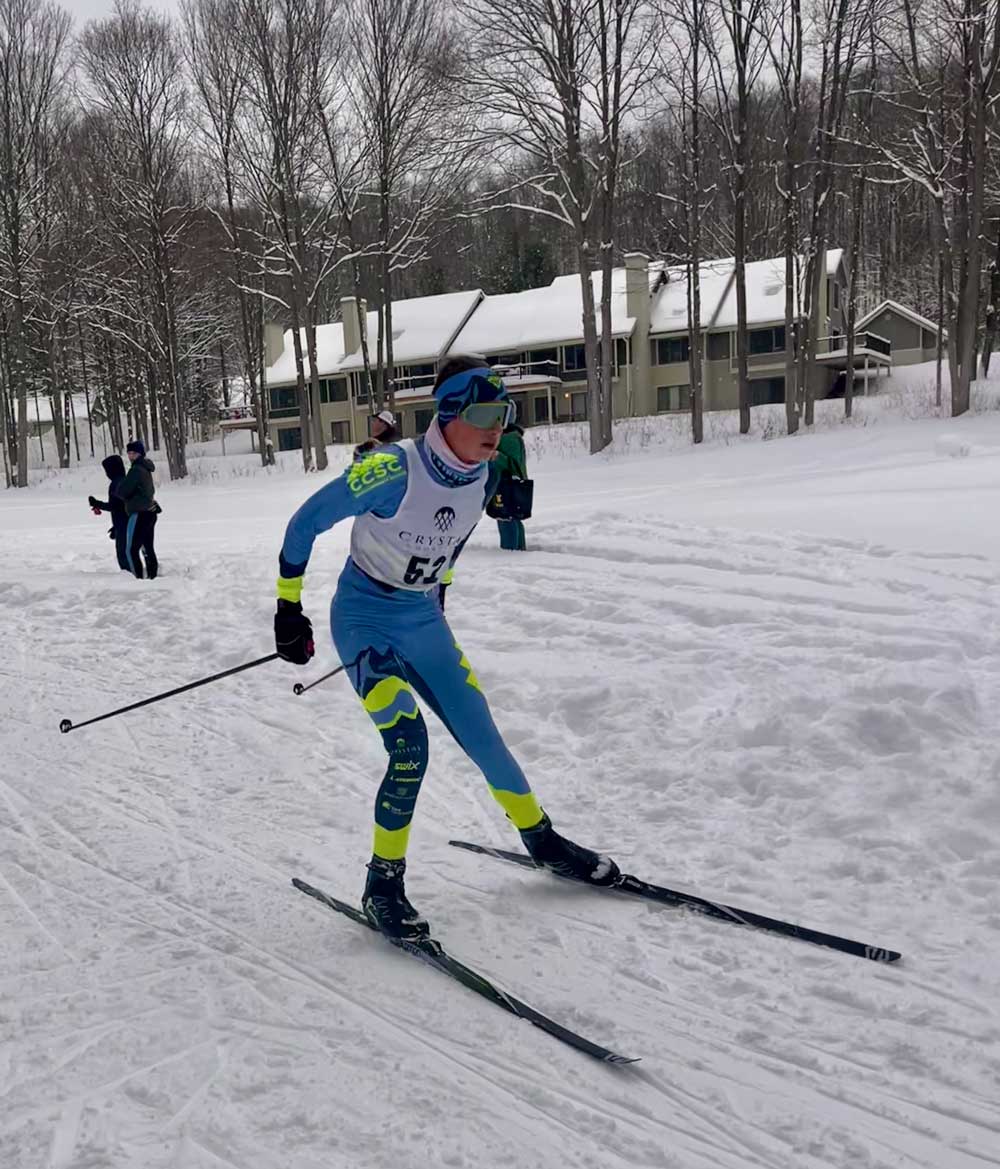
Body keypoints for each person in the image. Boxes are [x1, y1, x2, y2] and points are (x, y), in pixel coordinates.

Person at [273, 355, 619, 940]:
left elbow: (449, 543)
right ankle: (383, 885)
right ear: (449, 411)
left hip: (420, 619)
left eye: (503, 415)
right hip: (363, 619)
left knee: (484, 736)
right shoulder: (391, 470)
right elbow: (305, 521)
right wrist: (288, 607)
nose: (495, 429)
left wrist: (439, 593)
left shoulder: (483, 475)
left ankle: (542, 841)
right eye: (482, 414)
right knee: (410, 746)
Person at [119, 440, 159, 580]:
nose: (131, 456)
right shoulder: (146, 468)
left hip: (139, 514)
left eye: (134, 453)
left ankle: (136, 579)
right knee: (147, 547)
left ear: (140, 454)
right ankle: (152, 576)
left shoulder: (136, 470)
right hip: (149, 512)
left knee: (131, 550)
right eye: (129, 453)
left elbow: (122, 491)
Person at [88, 455, 130, 571]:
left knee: (123, 554)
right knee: (130, 551)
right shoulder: (125, 480)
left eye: (107, 470)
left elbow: (115, 506)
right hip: (126, 521)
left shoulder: (116, 484)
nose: (106, 474)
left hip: (123, 524)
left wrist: (97, 504)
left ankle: (130, 576)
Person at [492, 420, 528, 550]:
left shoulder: (508, 439)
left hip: (505, 486)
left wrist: (495, 456)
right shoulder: (515, 437)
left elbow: (511, 465)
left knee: (506, 519)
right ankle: (519, 549)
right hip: (514, 485)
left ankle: (510, 552)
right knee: (514, 518)